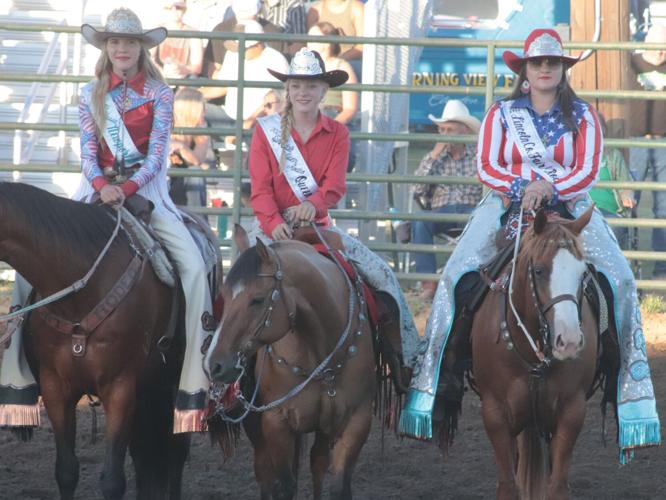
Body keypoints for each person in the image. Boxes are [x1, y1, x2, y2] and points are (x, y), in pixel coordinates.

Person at [400, 28, 660, 458]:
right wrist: (524, 186)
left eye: (552, 63)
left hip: (569, 204)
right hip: (505, 202)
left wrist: (547, 186)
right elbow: (488, 165)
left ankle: (623, 382)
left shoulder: (584, 115)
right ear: (523, 69)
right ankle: (441, 379)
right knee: (455, 274)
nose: (544, 69)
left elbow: (588, 169)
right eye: (536, 63)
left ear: (562, 70)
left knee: (621, 278)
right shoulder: (501, 115)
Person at [0, 7, 214, 433]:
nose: (121, 48)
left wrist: (128, 189)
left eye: (129, 42)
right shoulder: (89, 93)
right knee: (28, 276)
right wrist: (101, 187)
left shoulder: (161, 94)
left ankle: (194, 377)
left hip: (147, 193)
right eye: (114, 42)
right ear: (106, 48)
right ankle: (16, 378)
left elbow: (156, 155)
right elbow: (87, 153)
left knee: (192, 267)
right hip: (94, 190)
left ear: (141, 48)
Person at [247, 47, 422, 376]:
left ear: (324, 91)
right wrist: (273, 223)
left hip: (319, 224)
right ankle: (224, 383)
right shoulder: (264, 130)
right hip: (270, 225)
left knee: (380, 275)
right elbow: (259, 189)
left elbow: (334, 187)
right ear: (288, 89)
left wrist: (311, 206)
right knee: (239, 289)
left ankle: (402, 361)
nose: (303, 92)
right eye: (297, 85)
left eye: (311, 86)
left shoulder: (338, 133)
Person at [410, 99, 482, 300]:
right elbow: (416, 190)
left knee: (488, 222)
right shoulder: (434, 157)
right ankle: (429, 285)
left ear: (465, 131)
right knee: (420, 220)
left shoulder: (479, 156)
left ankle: (477, 281)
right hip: (442, 211)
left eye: (449, 129)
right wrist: (434, 155)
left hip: (472, 211)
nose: (444, 135)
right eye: (441, 130)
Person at [200, 20, 288, 136]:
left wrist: (249, 122)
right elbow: (223, 86)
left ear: (258, 45)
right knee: (191, 108)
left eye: (243, 48)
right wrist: (192, 95)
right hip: (228, 115)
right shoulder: (232, 54)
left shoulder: (276, 61)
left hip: (258, 123)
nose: (239, 52)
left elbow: (275, 102)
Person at [630, 23, 666, 278]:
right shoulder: (631, 63)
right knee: (630, 199)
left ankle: (661, 265)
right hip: (635, 141)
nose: (662, 53)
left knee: (664, 206)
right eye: (658, 48)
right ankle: (631, 261)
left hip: (664, 142)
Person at [306, 21, 358, 171]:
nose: (309, 42)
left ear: (327, 44)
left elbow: (349, 109)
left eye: (313, 38)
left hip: (330, 120)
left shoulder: (342, 67)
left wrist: (328, 129)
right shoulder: (302, 66)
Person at [588, 113, 635, 249]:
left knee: (613, 228)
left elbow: (624, 183)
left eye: (598, 126)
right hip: (582, 211)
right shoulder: (573, 155)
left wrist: (627, 195)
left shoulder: (612, 154)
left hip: (609, 212)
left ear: (603, 130)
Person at [169, 87, 213, 206]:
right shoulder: (165, 126)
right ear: (191, 110)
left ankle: (199, 222)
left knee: (195, 173)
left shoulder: (201, 132)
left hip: (182, 186)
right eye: (202, 108)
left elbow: (196, 161)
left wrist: (182, 147)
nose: (205, 112)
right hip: (164, 185)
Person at [152, 0, 204, 80]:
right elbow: (150, 59)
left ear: (184, 10)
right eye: (170, 8)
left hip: (184, 78)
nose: (174, 10)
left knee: (193, 80)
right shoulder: (157, 30)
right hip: (159, 76)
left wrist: (183, 70)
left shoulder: (193, 33)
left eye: (178, 7)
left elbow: (197, 67)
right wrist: (161, 72)